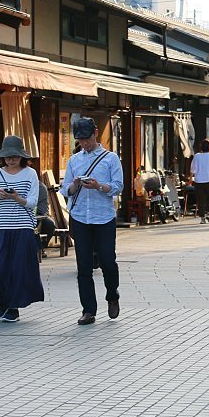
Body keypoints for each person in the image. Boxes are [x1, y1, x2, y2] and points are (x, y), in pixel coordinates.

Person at [60, 117, 123, 325]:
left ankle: (112, 295)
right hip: (79, 217)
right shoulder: (74, 160)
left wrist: (98, 186)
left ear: (96, 133)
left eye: (87, 138)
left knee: (107, 260)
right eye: (80, 140)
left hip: (103, 217)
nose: (84, 143)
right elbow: (65, 189)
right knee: (83, 266)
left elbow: (117, 186)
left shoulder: (110, 158)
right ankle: (88, 310)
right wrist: (75, 186)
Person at [0, 136, 44, 323]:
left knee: (17, 269)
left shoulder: (30, 174)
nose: (11, 160)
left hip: (22, 226)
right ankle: (1, 303)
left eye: (15, 157)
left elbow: (33, 201)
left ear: (22, 157)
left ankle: (13, 307)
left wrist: (17, 198)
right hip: (0, 225)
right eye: (8, 157)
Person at [190, 139, 209, 224]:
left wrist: (190, 179)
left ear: (201, 147)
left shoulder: (197, 156)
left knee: (201, 199)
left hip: (198, 181)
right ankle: (208, 213)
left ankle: (202, 217)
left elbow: (193, 169)